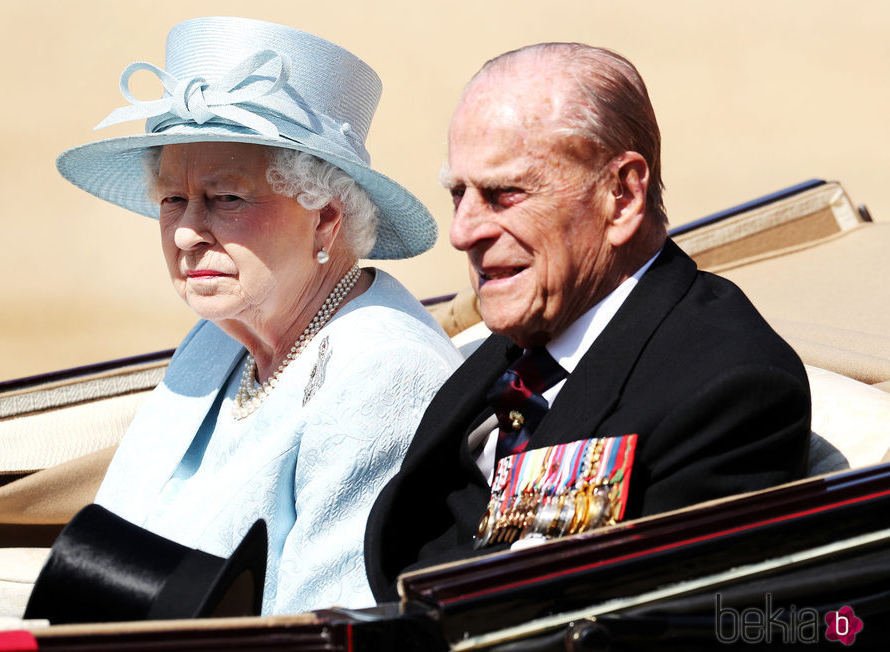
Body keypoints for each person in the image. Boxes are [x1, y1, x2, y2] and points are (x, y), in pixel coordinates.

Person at [365, 42, 811, 601]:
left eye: (505, 193)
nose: (462, 231)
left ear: (620, 196)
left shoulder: (729, 390)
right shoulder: (520, 342)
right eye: (459, 193)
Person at [51, 17, 462, 615]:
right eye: (173, 199)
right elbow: (113, 542)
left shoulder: (386, 374)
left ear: (325, 218)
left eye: (227, 198)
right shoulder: (219, 339)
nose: (187, 232)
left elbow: (324, 628)